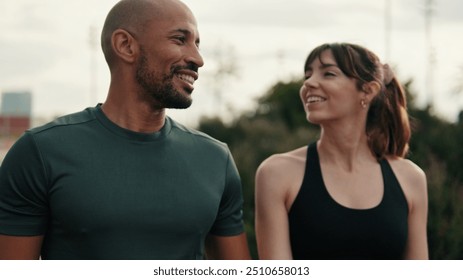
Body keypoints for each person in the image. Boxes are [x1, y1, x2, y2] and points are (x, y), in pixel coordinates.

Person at [0, 0, 250, 260]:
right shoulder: (40, 152)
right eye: (180, 39)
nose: (198, 59)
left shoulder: (215, 160)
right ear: (125, 46)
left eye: (197, 44)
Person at [255, 42, 428, 260]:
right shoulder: (277, 173)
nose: (309, 82)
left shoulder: (410, 178)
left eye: (328, 73)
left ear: (368, 90)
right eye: (307, 75)